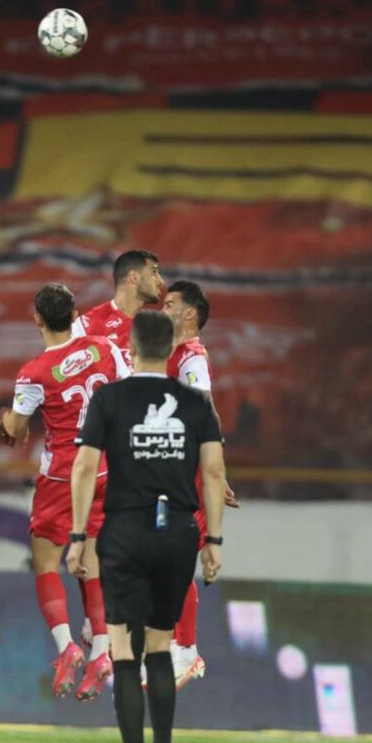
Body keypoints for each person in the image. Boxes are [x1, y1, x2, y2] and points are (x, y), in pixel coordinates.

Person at [68, 310, 226, 743]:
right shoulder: (197, 404)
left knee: (123, 652)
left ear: (131, 348)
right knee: (160, 647)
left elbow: (84, 468)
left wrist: (78, 535)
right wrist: (213, 541)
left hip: (126, 531)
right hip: (178, 532)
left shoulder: (109, 398)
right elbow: (214, 473)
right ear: (172, 348)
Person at [0, 282, 130, 700]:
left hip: (62, 477)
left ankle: (67, 646)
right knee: (92, 563)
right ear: (75, 315)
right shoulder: (106, 348)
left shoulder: (34, 372)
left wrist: (4, 419)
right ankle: (102, 653)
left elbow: (16, 429)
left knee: (46, 563)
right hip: (107, 469)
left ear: (37, 319)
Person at [71, 249, 164, 646]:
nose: (160, 281)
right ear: (132, 277)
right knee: (91, 542)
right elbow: (59, 370)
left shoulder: (156, 330)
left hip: (141, 451)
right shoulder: (87, 324)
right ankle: (97, 625)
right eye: (154, 272)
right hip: (98, 449)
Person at [162, 279, 240, 690]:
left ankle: (187, 650)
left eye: (170, 303)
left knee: (172, 558)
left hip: (184, 474)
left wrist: (214, 469)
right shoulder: (171, 353)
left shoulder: (191, 357)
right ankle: (176, 645)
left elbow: (204, 412)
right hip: (170, 470)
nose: (163, 308)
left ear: (189, 314)